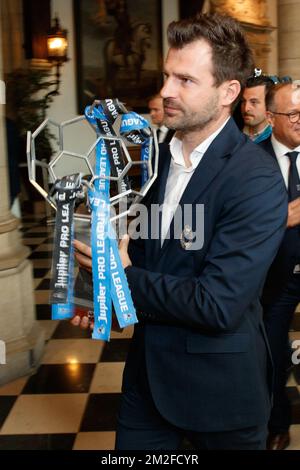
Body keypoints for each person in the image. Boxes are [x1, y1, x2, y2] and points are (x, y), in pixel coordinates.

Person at [73, 13, 287, 450]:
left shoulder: (256, 179)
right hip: (146, 390)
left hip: (219, 400)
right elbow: (148, 256)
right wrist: (103, 301)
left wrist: (119, 276)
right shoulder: (150, 162)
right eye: (167, 76)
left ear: (229, 92)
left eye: (185, 80)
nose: (166, 91)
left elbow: (218, 303)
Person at [259, 83, 300, 450]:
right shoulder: (249, 160)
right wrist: (280, 219)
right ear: (270, 118)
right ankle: (277, 424)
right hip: (275, 278)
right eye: (293, 114)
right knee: (271, 354)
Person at [241, 72, 274, 143]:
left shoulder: (277, 140)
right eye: (243, 101)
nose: (246, 108)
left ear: (269, 104)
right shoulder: (234, 134)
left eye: (253, 102)